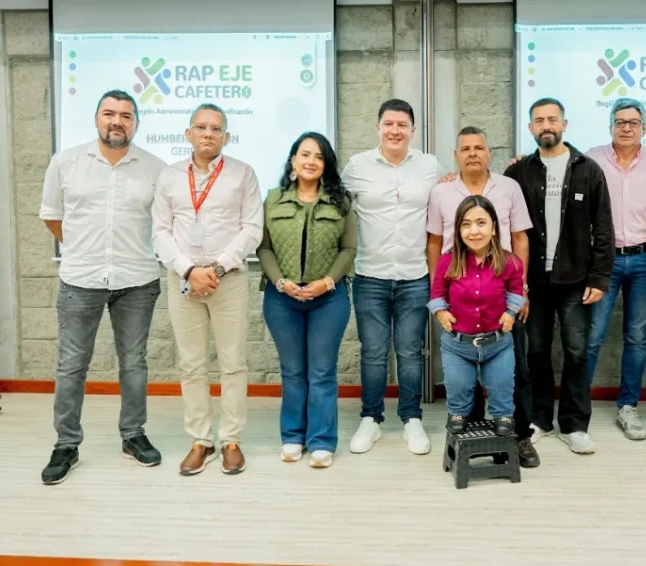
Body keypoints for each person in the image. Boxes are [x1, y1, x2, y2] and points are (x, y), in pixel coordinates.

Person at [38, 89, 167, 485]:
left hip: (137, 279)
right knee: (71, 365)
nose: (117, 121)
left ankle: (133, 435)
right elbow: (52, 216)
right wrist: (83, 248)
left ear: (136, 123)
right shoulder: (66, 162)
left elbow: (164, 224)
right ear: (96, 119)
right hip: (81, 278)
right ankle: (66, 443)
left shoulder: (156, 168)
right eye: (109, 114)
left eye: (126, 116)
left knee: (134, 363)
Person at [152, 103, 263, 476]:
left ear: (226, 137)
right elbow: (160, 232)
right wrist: (189, 270)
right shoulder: (169, 177)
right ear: (188, 134)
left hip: (227, 279)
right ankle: (201, 440)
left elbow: (252, 228)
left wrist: (215, 268)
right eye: (201, 127)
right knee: (192, 364)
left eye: (216, 129)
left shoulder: (243, 174)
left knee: (233, 363)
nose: (208, 134)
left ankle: (231, 440)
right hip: (183, 280)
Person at [505, 97, 615, 455]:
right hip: (534, 282)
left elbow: (603, 228)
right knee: (535, 352)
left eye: (552, 119)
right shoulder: (518, 173)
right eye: (539, 120)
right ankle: (539, 419)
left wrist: (599, 278)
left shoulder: (588, 170)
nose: (546, 125)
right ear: (530, 128)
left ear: (564, 125)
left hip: (576, 280)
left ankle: (575, 424)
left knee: (577, 352)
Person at [427, 126, 539, 466]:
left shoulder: (509, 187)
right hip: (459, 296)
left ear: (489, 153)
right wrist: (439, 299)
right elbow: (434, 242)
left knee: (514, 371)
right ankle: (471, 437)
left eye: (479, 147)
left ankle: (519, 437)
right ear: (456, 156)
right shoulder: (442, 191)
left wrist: (522, 292)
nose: (473, 153)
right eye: (466, 148)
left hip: (502, 295)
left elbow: (520, 238)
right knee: (463, 376)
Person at [343, 98, 443, 456]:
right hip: (370, 275)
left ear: (413, 130)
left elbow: (451, 195)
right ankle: (371, 419)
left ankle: (411, 419)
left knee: (411, 352)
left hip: (415, 275)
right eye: (389, 124)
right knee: (373, 353)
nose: (395, 131)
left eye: (402, 125)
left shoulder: (430, 166)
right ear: (378, 128)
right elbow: (334, 202)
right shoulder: (357, 166)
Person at [258, 132, 357, 469]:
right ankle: (292, 436)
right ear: (293, 160)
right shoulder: (273, 200)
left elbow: (349, 249)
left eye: (318, 156)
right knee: (292, 371)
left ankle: (322, 441)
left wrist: (326, 282)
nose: (311, 161)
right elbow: (264, 248)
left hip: (328, 299)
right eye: (304, 154)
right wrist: (280, 282)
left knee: (322, 372)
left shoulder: (341, 202)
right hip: (281, 299)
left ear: (326, 164)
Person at [584, 98, 646, 442]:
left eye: (633, 122)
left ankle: (628, 406)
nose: (626, 128)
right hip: (604, 261)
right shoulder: (592, 159)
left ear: (644, 127)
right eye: (620, 122)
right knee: (592, 337)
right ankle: (577, 404)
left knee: (637, 338)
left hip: (644, 260)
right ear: (610, 126)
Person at [429, 196, 525, 435]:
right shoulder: (447, 261)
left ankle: (503, 415)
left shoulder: (511, 262)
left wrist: (511, 313)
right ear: (458, 230)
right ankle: (457, 412)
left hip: (498, 344)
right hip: (458, 346)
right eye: (466, 224)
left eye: (481, 223)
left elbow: (516, 290)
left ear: (494, 227)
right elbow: (437, 293)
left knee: (501, 385)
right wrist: (441, 313)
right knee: (458, 386)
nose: (474, 231)